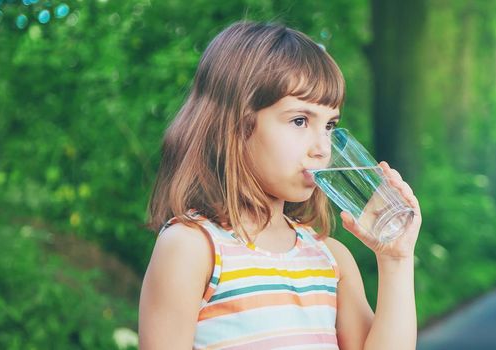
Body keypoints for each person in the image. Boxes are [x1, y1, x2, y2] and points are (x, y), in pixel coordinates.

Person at [138, 21, 421, 349]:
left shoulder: (330, 260)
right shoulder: (192, 248)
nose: (322, 148)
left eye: (329, 125)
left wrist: (396, 261)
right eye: (299, 121)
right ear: (236, 126)